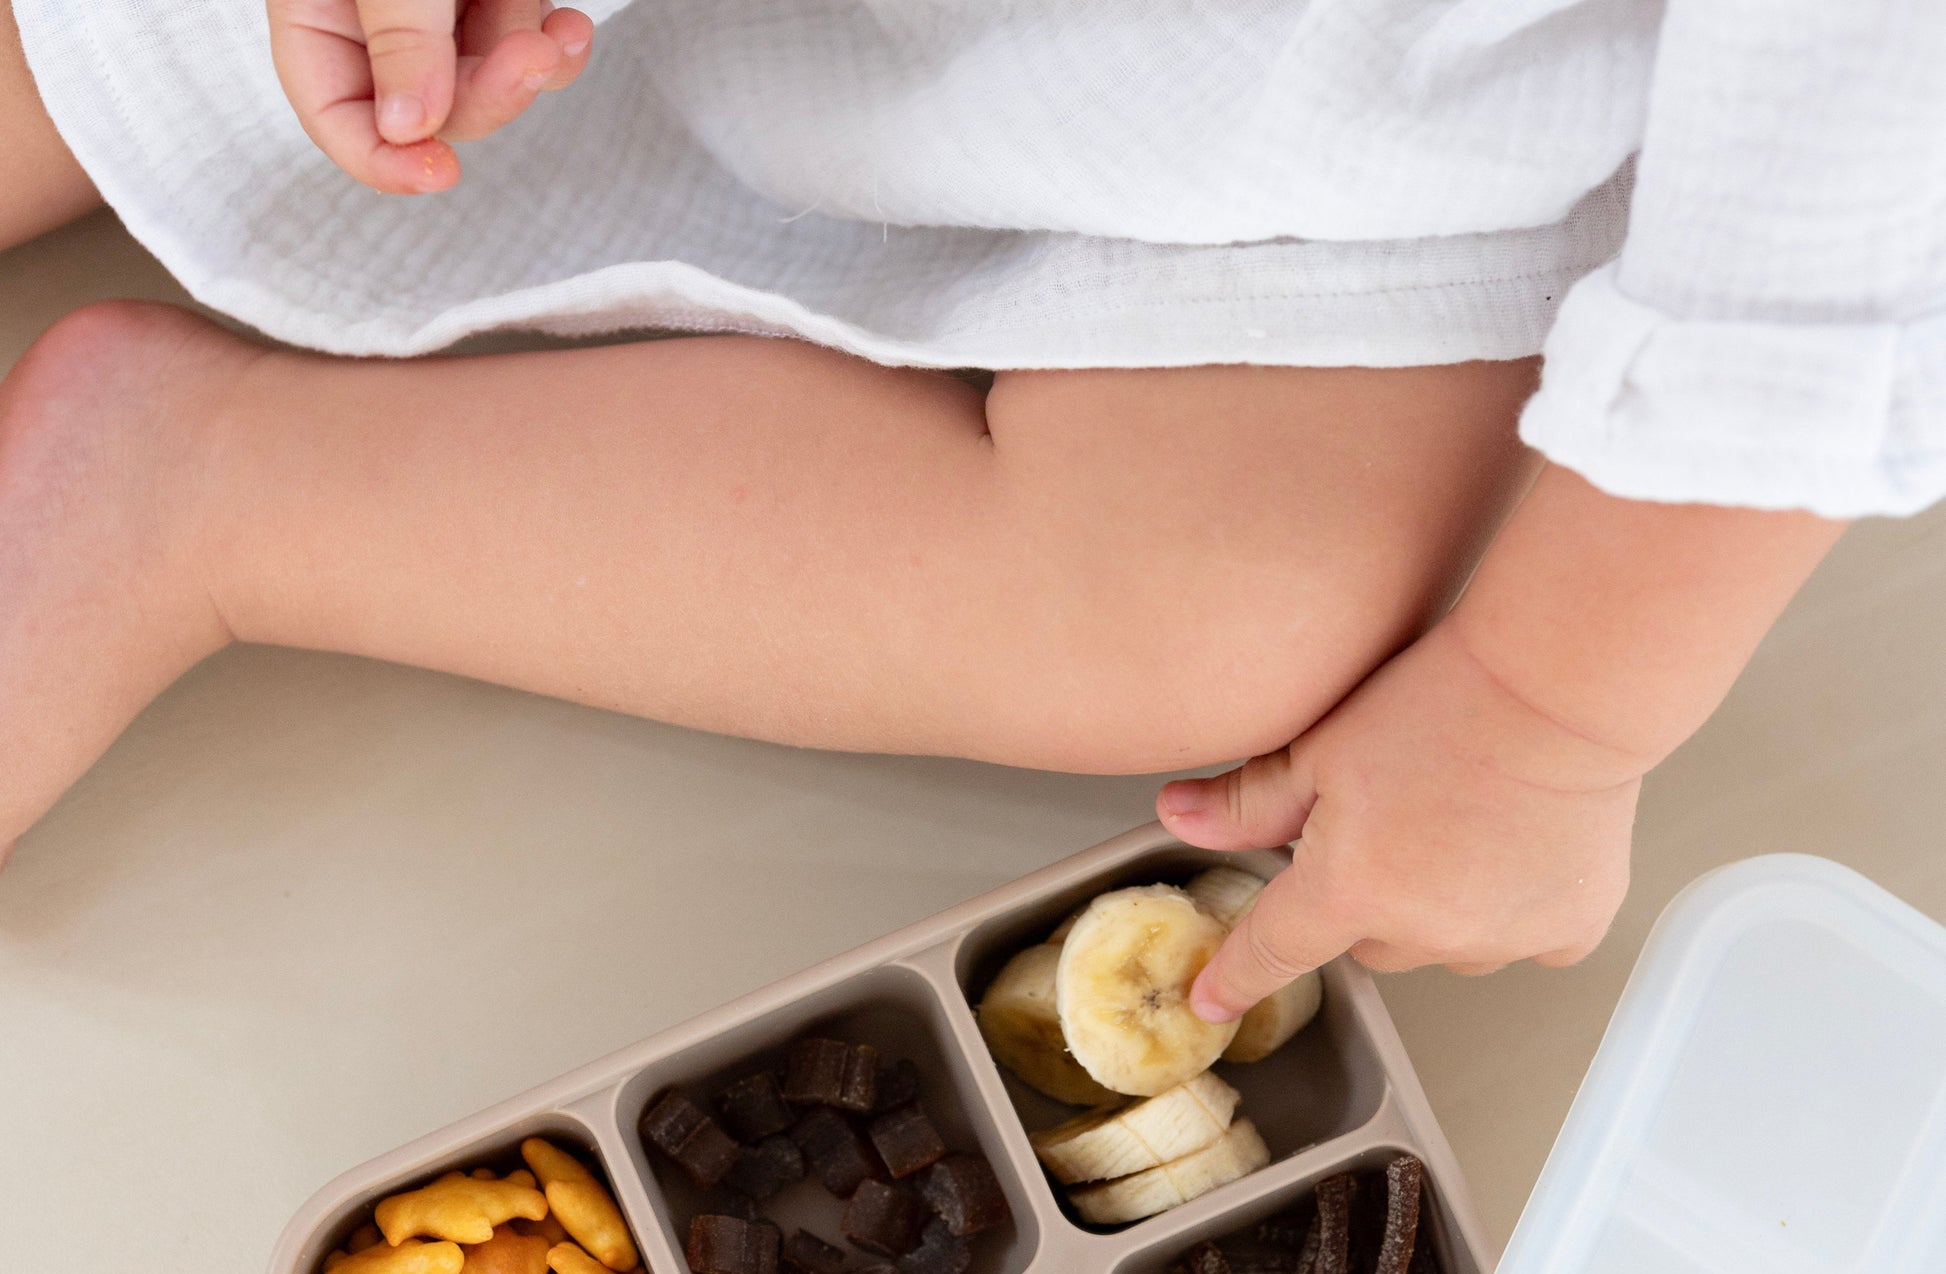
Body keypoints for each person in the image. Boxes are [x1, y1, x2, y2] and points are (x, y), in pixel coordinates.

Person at [1, 2, 1934, 1031]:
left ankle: (203, 487)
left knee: (1208, 601)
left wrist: (1543, 712)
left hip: (1353, 105)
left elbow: (1837, 205)